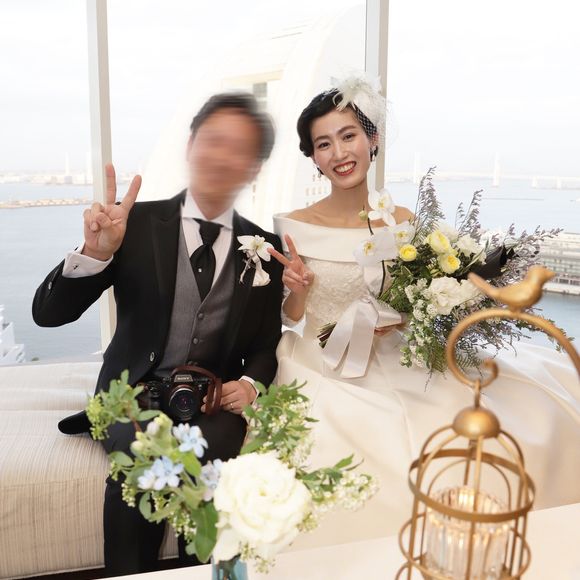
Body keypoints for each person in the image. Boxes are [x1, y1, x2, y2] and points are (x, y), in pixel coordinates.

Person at [269, 76, 580, 549]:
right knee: (361, 450)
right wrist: (297, 289)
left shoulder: (403, 222)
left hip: (399, 354)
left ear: (372, 139)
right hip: (324, 362)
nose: (339, 153)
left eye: (348, 136)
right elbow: (292, 317)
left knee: (500, 425)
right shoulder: (294, 225)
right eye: (323, 144)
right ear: (313, 157)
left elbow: (419, 297)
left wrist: (410, 316)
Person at [32, 92, 284, 575]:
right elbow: (48, 315)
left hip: (211, 403)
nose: (223, 157)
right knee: (141, 460)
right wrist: (96, 251)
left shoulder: (265, 249)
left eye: (240, 149)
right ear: (190, 145)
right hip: (129, 396)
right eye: (214, 140)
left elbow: (265, 344)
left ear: (254, 168)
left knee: (215, 473)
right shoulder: (132, 224)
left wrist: (251, 384)